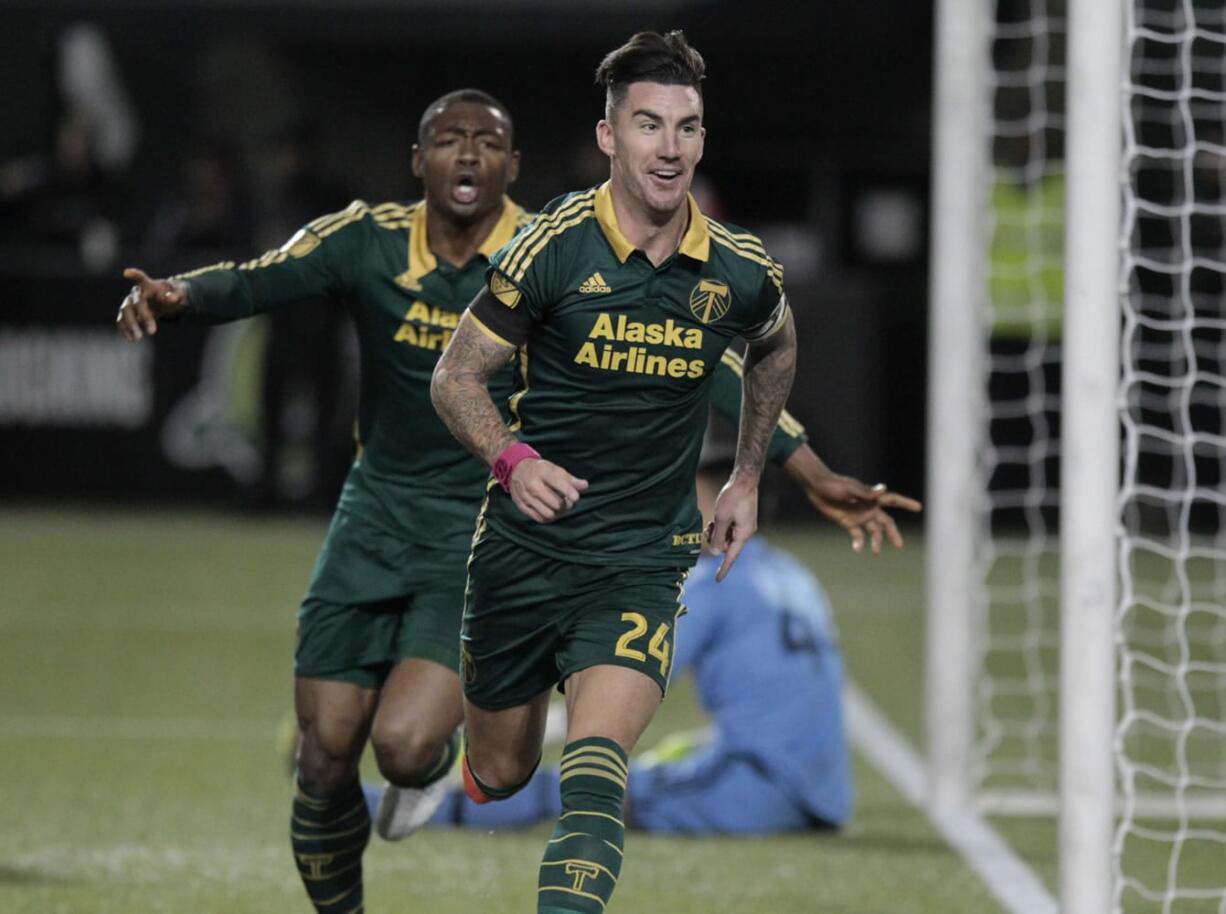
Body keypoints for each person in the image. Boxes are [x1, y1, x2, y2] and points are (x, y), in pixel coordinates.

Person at [115, 88, 822, 913]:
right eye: (448, 140)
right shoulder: (367, 239)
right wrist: (181, 295)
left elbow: (713, 361)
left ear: (511, 166)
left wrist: (795, 462)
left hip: (485, 525)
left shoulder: (548, 245)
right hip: (373, 514)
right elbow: (263, 279)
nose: (468, 155)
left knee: (408, 747)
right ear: (419, 162)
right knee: (323, 754)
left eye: (487, 142)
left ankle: (437, 755)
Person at [430, 32, 918, 914]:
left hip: (645, 556)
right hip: (524, 549)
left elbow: (771, 350)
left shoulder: (738, 268)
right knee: (501, 773)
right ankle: (458, 754)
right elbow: (455, 375)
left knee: (595, 768)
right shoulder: (552, 250)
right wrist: (512, 458)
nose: (669, 146)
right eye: (648, 125)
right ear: (610, 136)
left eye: (686, 127)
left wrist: (750, 477)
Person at [374, 441, 855, 835]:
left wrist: (488, 724)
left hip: (753, 793)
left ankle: (366, 803)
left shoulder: (714, 583)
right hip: (821, 793)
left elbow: (619, 676)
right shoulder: (789, 572)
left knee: (567, 789)